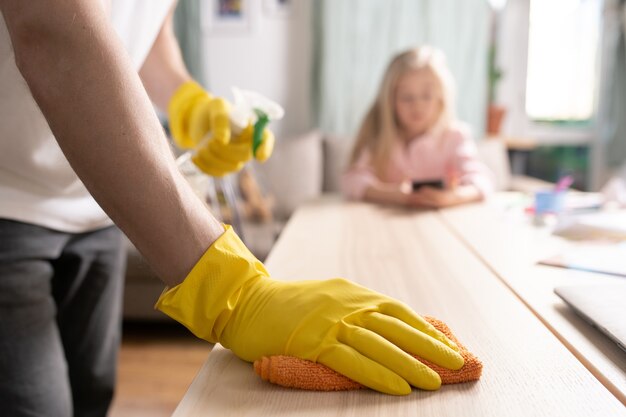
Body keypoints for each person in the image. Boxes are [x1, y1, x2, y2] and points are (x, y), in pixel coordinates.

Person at [0, 2, 464, 416]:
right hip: (8, 200)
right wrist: (237, 292)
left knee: (91, 394)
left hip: (99, 204)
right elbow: (49, 28)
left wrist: (192, 104)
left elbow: (140, 29)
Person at [342, 46, 494, 208]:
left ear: (440, 98)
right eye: (407, 97)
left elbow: (482, 180)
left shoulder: (455, 137)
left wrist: (453, 197)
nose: (417, 106)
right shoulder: (378, 136)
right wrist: (392, 194)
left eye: (426, 96)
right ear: (390, 101)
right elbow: (351, 180)